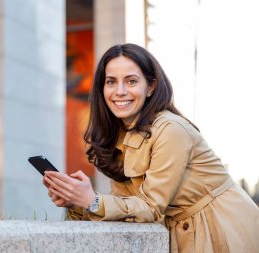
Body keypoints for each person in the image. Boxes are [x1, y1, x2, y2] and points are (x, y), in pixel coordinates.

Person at [43, 43, 259, 253]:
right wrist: (78, 201)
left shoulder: (170, 129)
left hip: (222, 229)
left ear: (151, 87)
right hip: (183, 233)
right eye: (111, 82)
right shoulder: (119, 135)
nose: (119, 91)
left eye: (131, 81)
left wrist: (94, 201)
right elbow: (128, 207)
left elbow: (151, 207)